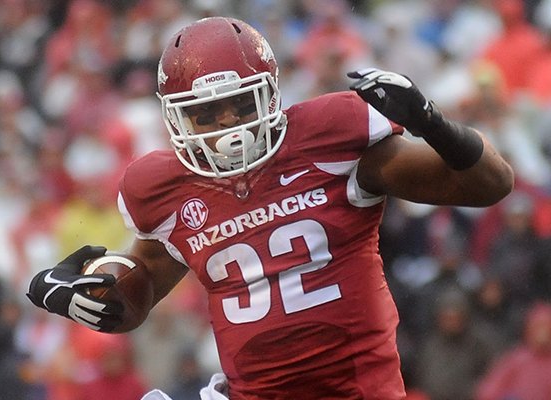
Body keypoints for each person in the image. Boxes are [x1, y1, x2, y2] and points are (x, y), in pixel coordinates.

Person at [26, 16, 514, 399]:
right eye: (204, 115)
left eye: (240, 106)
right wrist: (86, 296)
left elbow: (491, 184)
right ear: (175, 118)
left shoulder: (332, 139)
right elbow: (140, 292)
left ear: (272, 94)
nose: (226, 128)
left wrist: (431, 123)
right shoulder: (163, 187)